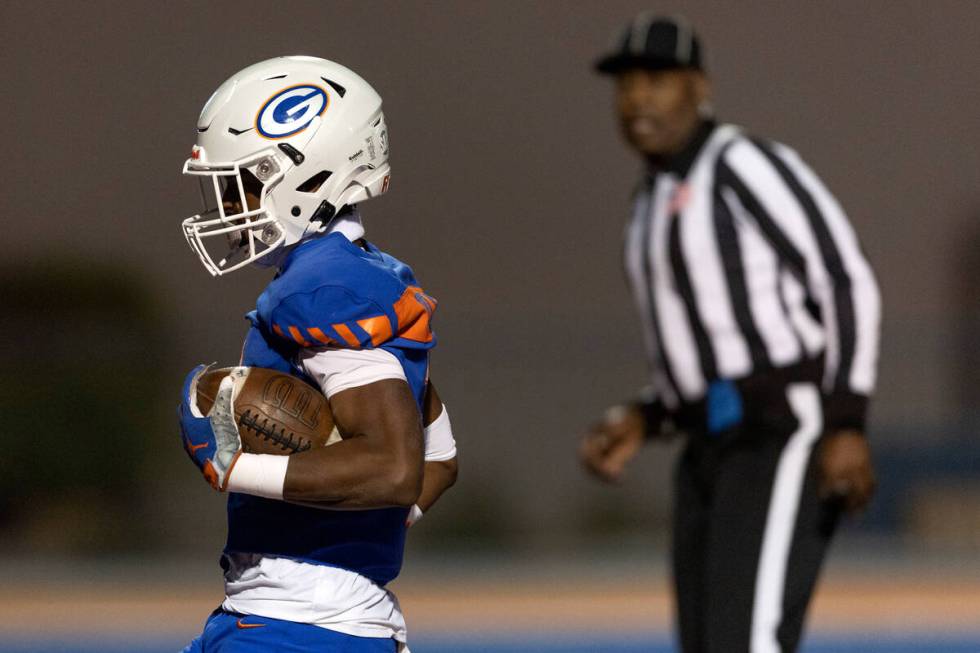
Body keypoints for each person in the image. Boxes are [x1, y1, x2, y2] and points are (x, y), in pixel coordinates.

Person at [578, 15, 880, 653]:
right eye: (625, 83)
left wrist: (848, 419)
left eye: (656, 79)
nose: (636, 98)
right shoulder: (648, 202)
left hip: (779, 430)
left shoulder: (743, 164)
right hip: (707, 444)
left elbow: (844, 278)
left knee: (748, 641)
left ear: (698, 85)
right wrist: (644, 415)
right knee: (709, 641)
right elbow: (702, 354)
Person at [175, 56, 458, 653]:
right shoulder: (363, 274)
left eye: (245, 180)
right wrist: (353, 539)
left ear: (308, 176)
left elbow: (393, 469)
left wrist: (232, 464)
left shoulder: (321, 291)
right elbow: (439, 457)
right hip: (311, 620)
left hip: (298, 630)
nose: (230, 202)